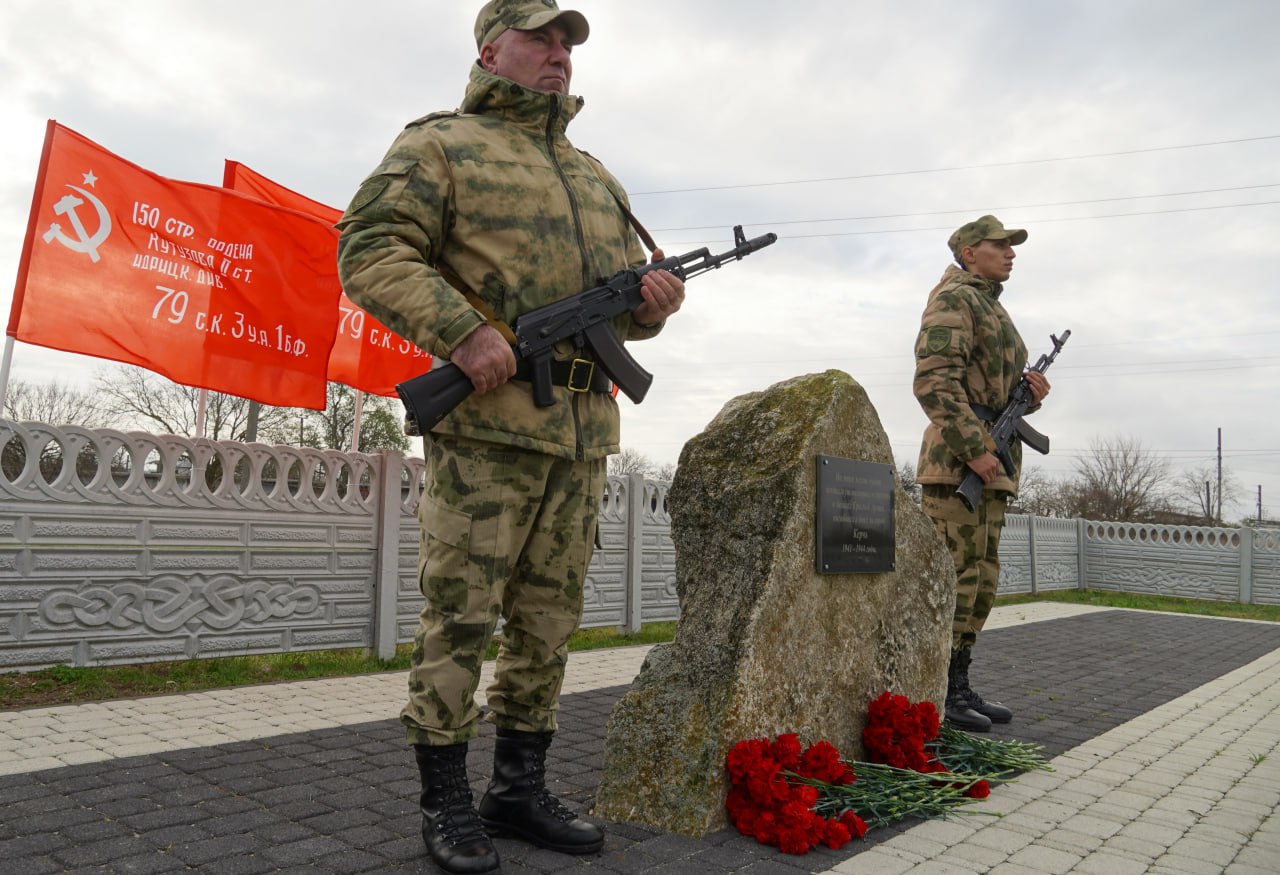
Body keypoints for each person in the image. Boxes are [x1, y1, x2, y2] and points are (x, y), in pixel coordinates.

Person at [335, 2, 685, 871]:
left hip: (581, 434)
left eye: (567, 43)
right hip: (488, 430)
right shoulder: (442, 144)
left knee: (548, 621)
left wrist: (649, 308)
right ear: (492, 48)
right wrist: (462, 329)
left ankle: (518, 787)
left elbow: (617, 315)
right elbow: (370, 246)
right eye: (541, 38)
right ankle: (447, 798)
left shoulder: (595, 176)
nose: (559, 55)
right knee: (460, 617)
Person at [912, 215, 1050, 734]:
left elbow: (989, 391)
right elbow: (933, 381)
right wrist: (973, 449)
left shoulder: (991, 307)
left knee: (981, 581)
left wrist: (1026, 397)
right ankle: (934, 690)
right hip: (957, 469)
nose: (1010, 253)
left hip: (991, 464)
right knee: (952, 580)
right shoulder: (954, 299)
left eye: (1011, 247)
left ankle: (958, 684)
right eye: (1000, 245)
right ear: (970, 252)